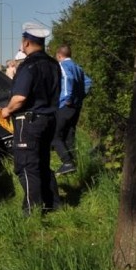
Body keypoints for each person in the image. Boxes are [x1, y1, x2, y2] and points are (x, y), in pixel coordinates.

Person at [0, 22, 61, 216]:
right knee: (42, 162)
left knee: (26, 165)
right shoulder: (53, 64)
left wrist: (6, 111)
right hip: (49, 119)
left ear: (26, 42)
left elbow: (20, 98)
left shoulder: (29, 65)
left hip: (29, 120)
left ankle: (31, 211)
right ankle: (53, 204)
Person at [52, 44, 93, 175]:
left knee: (55, 136)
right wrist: (80, 97)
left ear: (59, 55)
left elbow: (68, 78)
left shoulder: (63, 65)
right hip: (76, 106)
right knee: (69, 134)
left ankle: (67, 162)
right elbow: (88, 82)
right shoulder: (77, 67)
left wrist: (68, 97)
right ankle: (72, 164)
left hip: (66, 105)